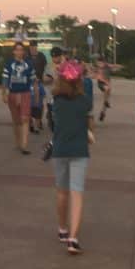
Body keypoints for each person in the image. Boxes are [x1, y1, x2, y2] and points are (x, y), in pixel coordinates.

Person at [51, 59, 94, 255]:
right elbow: (86, 119)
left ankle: (62, 228)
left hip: (60, 150)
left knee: (62, 192)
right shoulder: (84, 102)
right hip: (79, 150)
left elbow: (55, 125)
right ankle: (73, 238)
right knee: (77, 193)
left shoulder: (56, 102)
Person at [2, 42, 37, 155]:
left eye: (21, 49)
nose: (19, 52)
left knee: (25, 119)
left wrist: (36, 95)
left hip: (25, 93)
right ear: (14, 51)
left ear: (24, 51)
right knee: (16, 120)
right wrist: (4, 92)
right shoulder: (9, 64)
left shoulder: (29, 64)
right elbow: (5, 79)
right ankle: (18, 142)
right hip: (12, 94)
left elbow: (33, 80)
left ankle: (24, 145)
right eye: (17, 49)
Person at [30, 42, 49, 134]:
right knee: (29, 103)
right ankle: (31, 123)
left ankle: (39, 120)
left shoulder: (41, 56)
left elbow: (45, 67)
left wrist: (44, 77)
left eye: (34, 47)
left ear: (36, 47)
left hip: (40, 81)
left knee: (40, 103)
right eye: (31, 47)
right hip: (29, 82)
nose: (33, 49)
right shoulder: (27, 56)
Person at [96, 57, 113, 122]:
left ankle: (103, 112)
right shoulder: (99, 69)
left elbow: (113, 67)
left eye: (101, 63)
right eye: (98, 63)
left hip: (107, 84)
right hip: (101, 83)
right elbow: (99, 77)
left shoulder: (107, 67)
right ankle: (106, 102)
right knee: (107, 89)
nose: (99, 64)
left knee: (107, 96)